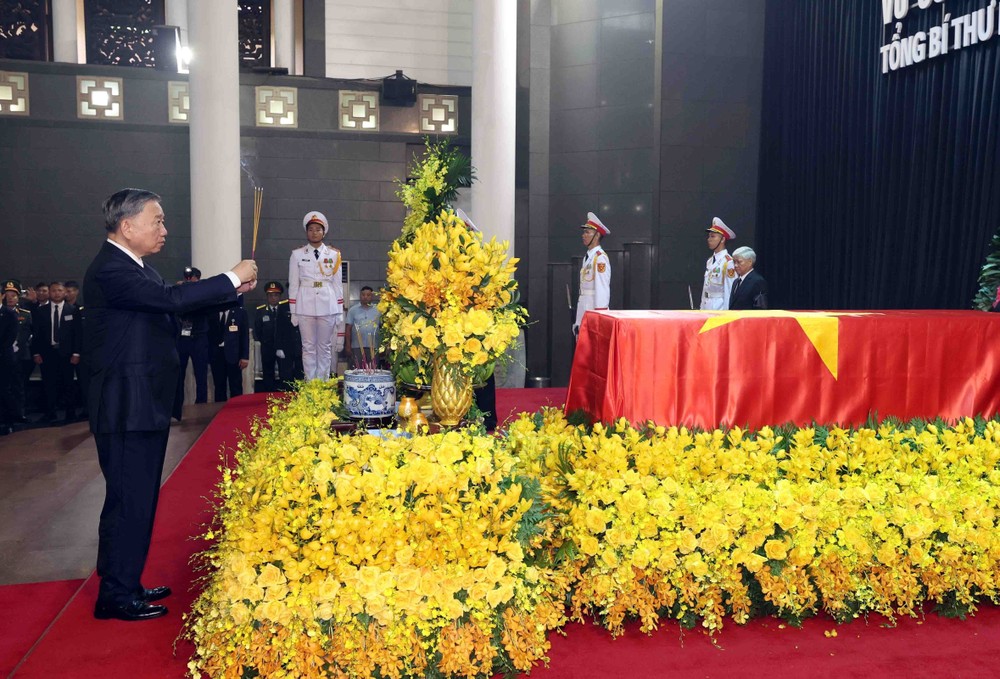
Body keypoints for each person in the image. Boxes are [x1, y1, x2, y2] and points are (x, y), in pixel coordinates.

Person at [83, 188, 257, 622]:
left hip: (140, 402)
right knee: (131, 498)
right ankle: (116, 595)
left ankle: (123, 578)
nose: (165, 229)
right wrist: (230, 277)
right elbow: (171, 301)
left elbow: (175, 307)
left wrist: (231, 293)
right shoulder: (111, 269)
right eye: (157, 221)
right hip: (128, 404)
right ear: (127, 226)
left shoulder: (134, 267)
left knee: (131, 496)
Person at [288, 211, 343, 381]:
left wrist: (340, 311)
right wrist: (294, 311)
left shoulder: (334, 255)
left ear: (324, 232)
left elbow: (337, 284)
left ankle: (323, 384)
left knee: (325, 347)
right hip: (305, 305)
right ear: (306, 232)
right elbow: (293, 284)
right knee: (308, 347)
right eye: (310, 229)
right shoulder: (297, 254)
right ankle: (311, 384)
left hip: (328, 304)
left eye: (318, 229)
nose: (314, 232)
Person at [31, 281, 81, 422]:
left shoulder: (72, 310)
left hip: (67, 354)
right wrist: (36, 353)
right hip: (47, 353)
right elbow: (37, 334)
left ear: (64, 292)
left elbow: (77, 334)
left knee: (68, 384)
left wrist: (76, 353)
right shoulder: (41, 311)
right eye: (53, 290)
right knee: (48, 384)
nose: (56, 293)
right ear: (49, 293)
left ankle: (70, 413)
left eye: (59, 290)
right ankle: (50, 413)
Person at [173, 266, 211, 410]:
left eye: (192, 278)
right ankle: (178, 404)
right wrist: (179, 291)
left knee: (200, 374)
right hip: (183, 339)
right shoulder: (181, 293)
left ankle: (201, 404)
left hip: (199, 338)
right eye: (187, 278)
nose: (189, 281)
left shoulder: (203, 294)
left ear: (198, 279)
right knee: (179, 374)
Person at [254, 281, 299, 391]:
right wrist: (264, 342)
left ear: (280, 296)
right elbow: (257, 330)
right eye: (270, 295)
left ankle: (283, 393)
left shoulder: (285, 309)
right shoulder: (261, 311)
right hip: (267, 347)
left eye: (276, 295)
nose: (273, 298)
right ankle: (269, 394)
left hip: (283, 347)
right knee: (268, 371)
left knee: (285, 372)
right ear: (267, 296)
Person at [573, 212, 611, 336]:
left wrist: (600, 316)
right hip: (584, 308)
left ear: (597, 235)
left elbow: (602, 289)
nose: (583, 235)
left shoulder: (600, 258)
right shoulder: (588, 257)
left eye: (587, 232)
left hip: (594, 311)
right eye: (584, 232)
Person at [4, 280, 32, 422]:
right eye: (6, 295)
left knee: (19, 385)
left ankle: (20, 412)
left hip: (20, 355)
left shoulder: (25, 314)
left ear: (18, 297)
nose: (10, 298)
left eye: (13, 295)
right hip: (4, 355)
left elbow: (30, 333)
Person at [209, 301, 249, 401]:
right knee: (219, 386)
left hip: (234, 355)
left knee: (235, 386)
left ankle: (236, 412)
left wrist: (245, 356)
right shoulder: (212, 313)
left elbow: (244, 336)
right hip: (216, 355)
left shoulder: (240, 312)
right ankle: (220, 412)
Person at [700, 217, 736, 310]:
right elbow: (705, 288)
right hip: (706, 306)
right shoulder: (710, 261)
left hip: (719, 308)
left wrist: (726, 315)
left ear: (723, 239)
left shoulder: (728, 262)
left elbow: (729, 291)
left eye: (713, 236)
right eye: (709, 236)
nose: (709, 239)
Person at [343, 286, 381, 369]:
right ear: (360, 296)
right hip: (356, 347)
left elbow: (384, 328)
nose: (365, 297)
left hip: (374, 347)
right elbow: (348, 329)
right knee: (356, 370)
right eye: (363, 295)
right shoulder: (353, 310)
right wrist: (347, 345)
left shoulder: (379, 310)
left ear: (372, 297)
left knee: (373, 371)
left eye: (368, 295)